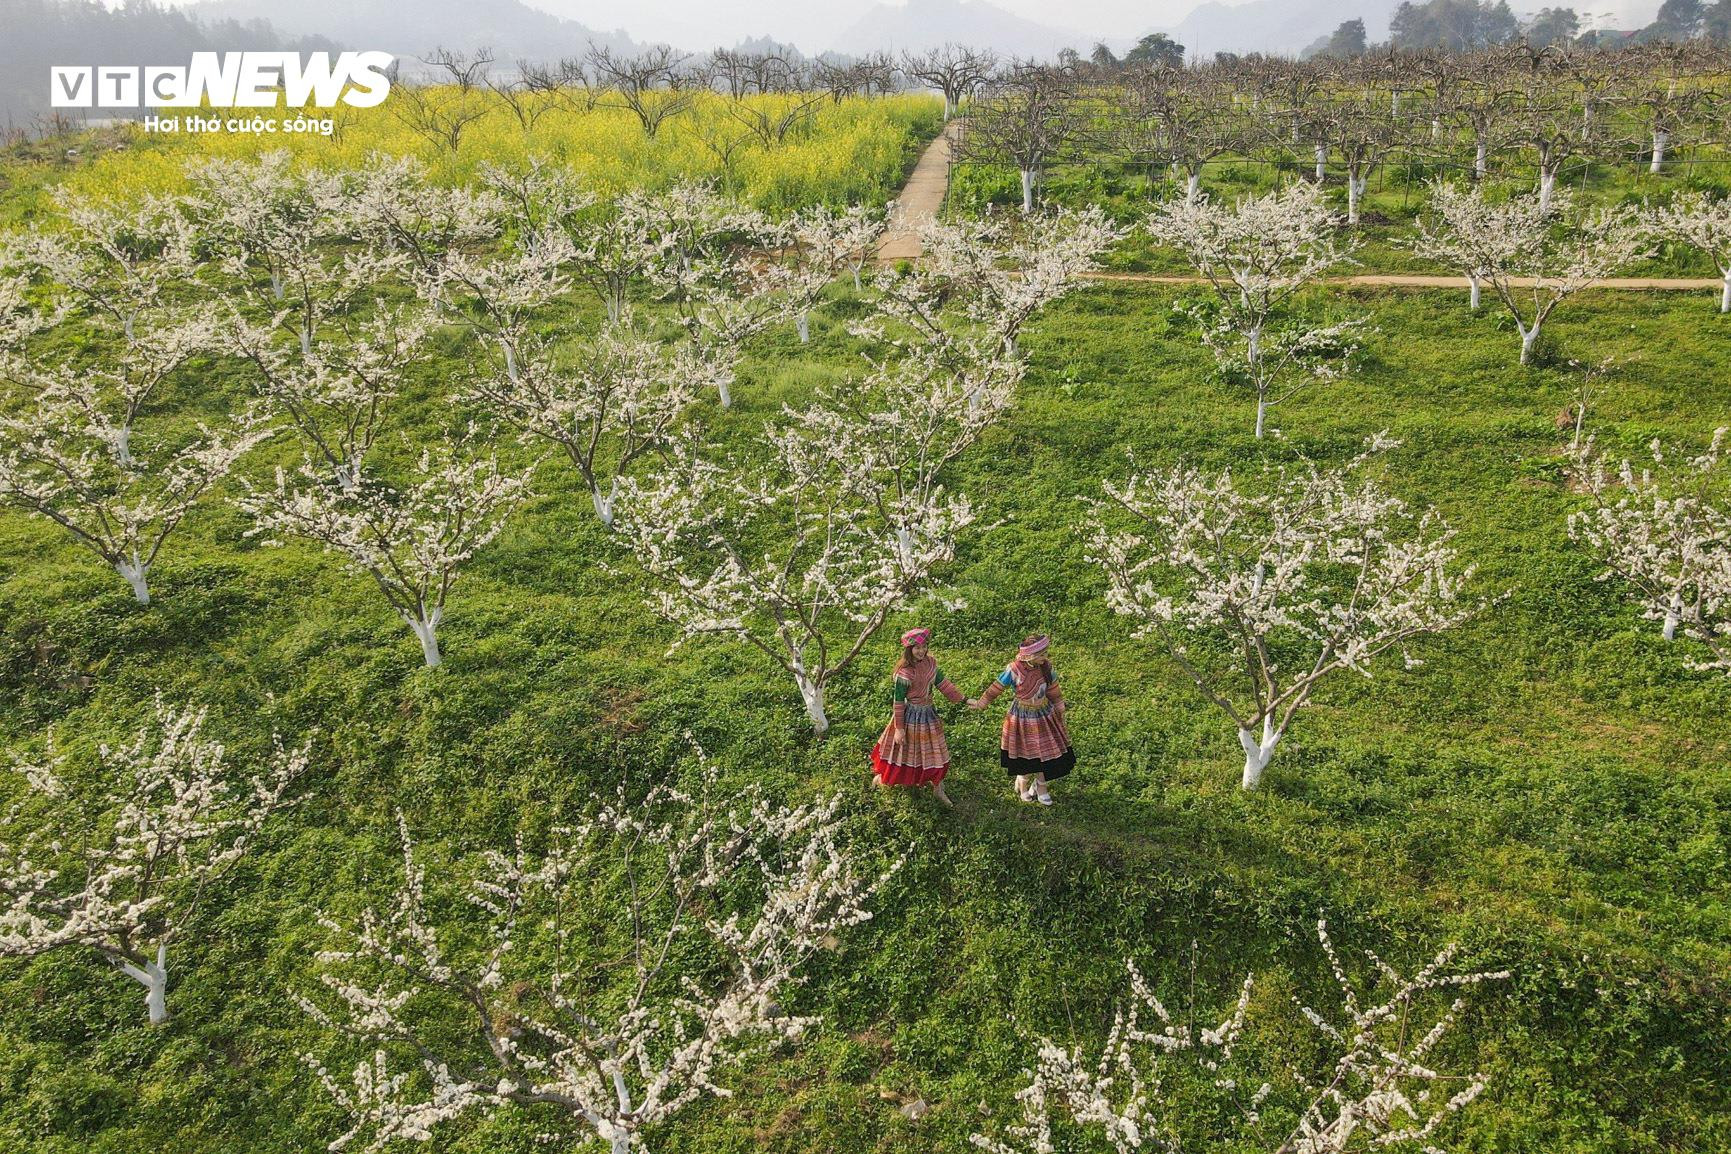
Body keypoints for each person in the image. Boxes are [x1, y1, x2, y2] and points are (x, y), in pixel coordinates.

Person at [969, 634, 1073, 805]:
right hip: (1022, 717)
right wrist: (982, 703)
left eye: (1045, 653)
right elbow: (996, 688)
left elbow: (1053, 688)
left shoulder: (1046, 668)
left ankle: (1041, 787)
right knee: (1025, 752)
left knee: (1045, 752)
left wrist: (1059, 704)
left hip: (1043, 714)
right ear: (1029, 656)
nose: (1045, 657)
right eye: (1041, 654)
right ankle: (1023, 784)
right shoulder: (1014, 669)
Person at [870, 627, 966, 807]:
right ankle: (884, 778)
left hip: (928, 715)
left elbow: (944, 685)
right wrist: (899, 729)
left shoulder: (930, 664)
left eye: (924, 646)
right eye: (916, 648)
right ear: (909, 650)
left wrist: (964, 699)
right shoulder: (904, 673)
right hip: (910, 717)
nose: (921, 651)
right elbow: (898, 702)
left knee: (937, 752)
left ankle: (938, 788)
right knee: (905, 753)